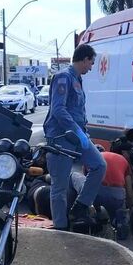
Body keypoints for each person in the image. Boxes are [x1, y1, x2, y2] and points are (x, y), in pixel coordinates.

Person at [43, 44, 106, 231]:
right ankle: (61, 229)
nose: (91, 67)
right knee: (59, 187)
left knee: (99, 165)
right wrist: (76, 131)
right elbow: (58, 110)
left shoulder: (77, 79)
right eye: (91, 63)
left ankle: (80, 207)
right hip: (61, 137)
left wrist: (82, 133)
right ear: (85, 59)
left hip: (78, 136)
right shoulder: (63, 77)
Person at [71, 143, 133, 239]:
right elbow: (129, 192)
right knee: (119, 209)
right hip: (116, 195)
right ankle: (120, 219)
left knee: (74, 176)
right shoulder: (123, 160)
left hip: (97, 193)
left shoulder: (92, 159)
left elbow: (89, 184)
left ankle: (85, 214)